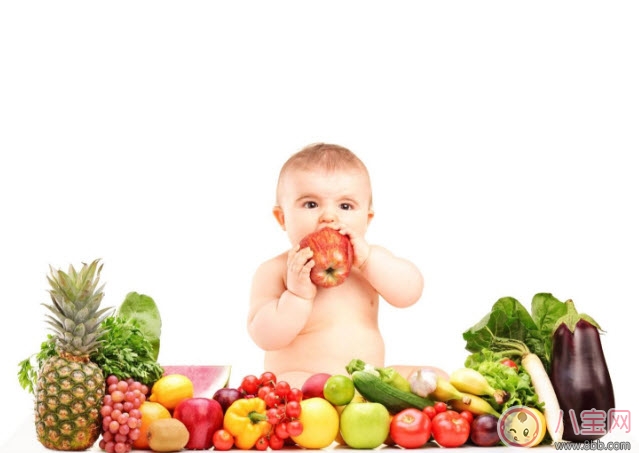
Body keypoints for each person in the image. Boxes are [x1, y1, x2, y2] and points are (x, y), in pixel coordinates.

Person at [247, 142, 431, 389]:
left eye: (345, 206)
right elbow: (264, 336)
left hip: (367, 385)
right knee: (285, 383)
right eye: (311, 204)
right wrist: (297, 296)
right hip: (307, 386)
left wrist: (369, 261)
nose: (329, 216)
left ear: (366, 220)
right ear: (282, 218)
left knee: (434, 377)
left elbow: (410, 292)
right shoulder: (276, 271)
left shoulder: (370, 262)